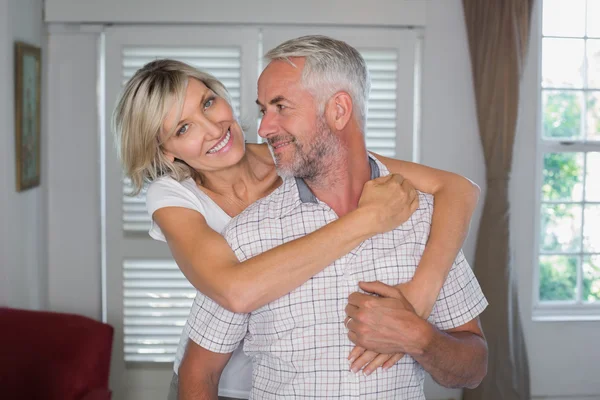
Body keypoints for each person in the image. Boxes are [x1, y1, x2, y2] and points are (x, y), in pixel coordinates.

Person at [113, 49, 480, 399]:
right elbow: (235, 291)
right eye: (183, 128)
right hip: (219, 381)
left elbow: (457, 188)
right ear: (166, 151)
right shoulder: (173, 196)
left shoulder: (294, 155)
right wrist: (366, 220)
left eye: (208, 102)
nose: (213, 129)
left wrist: (421, 294)